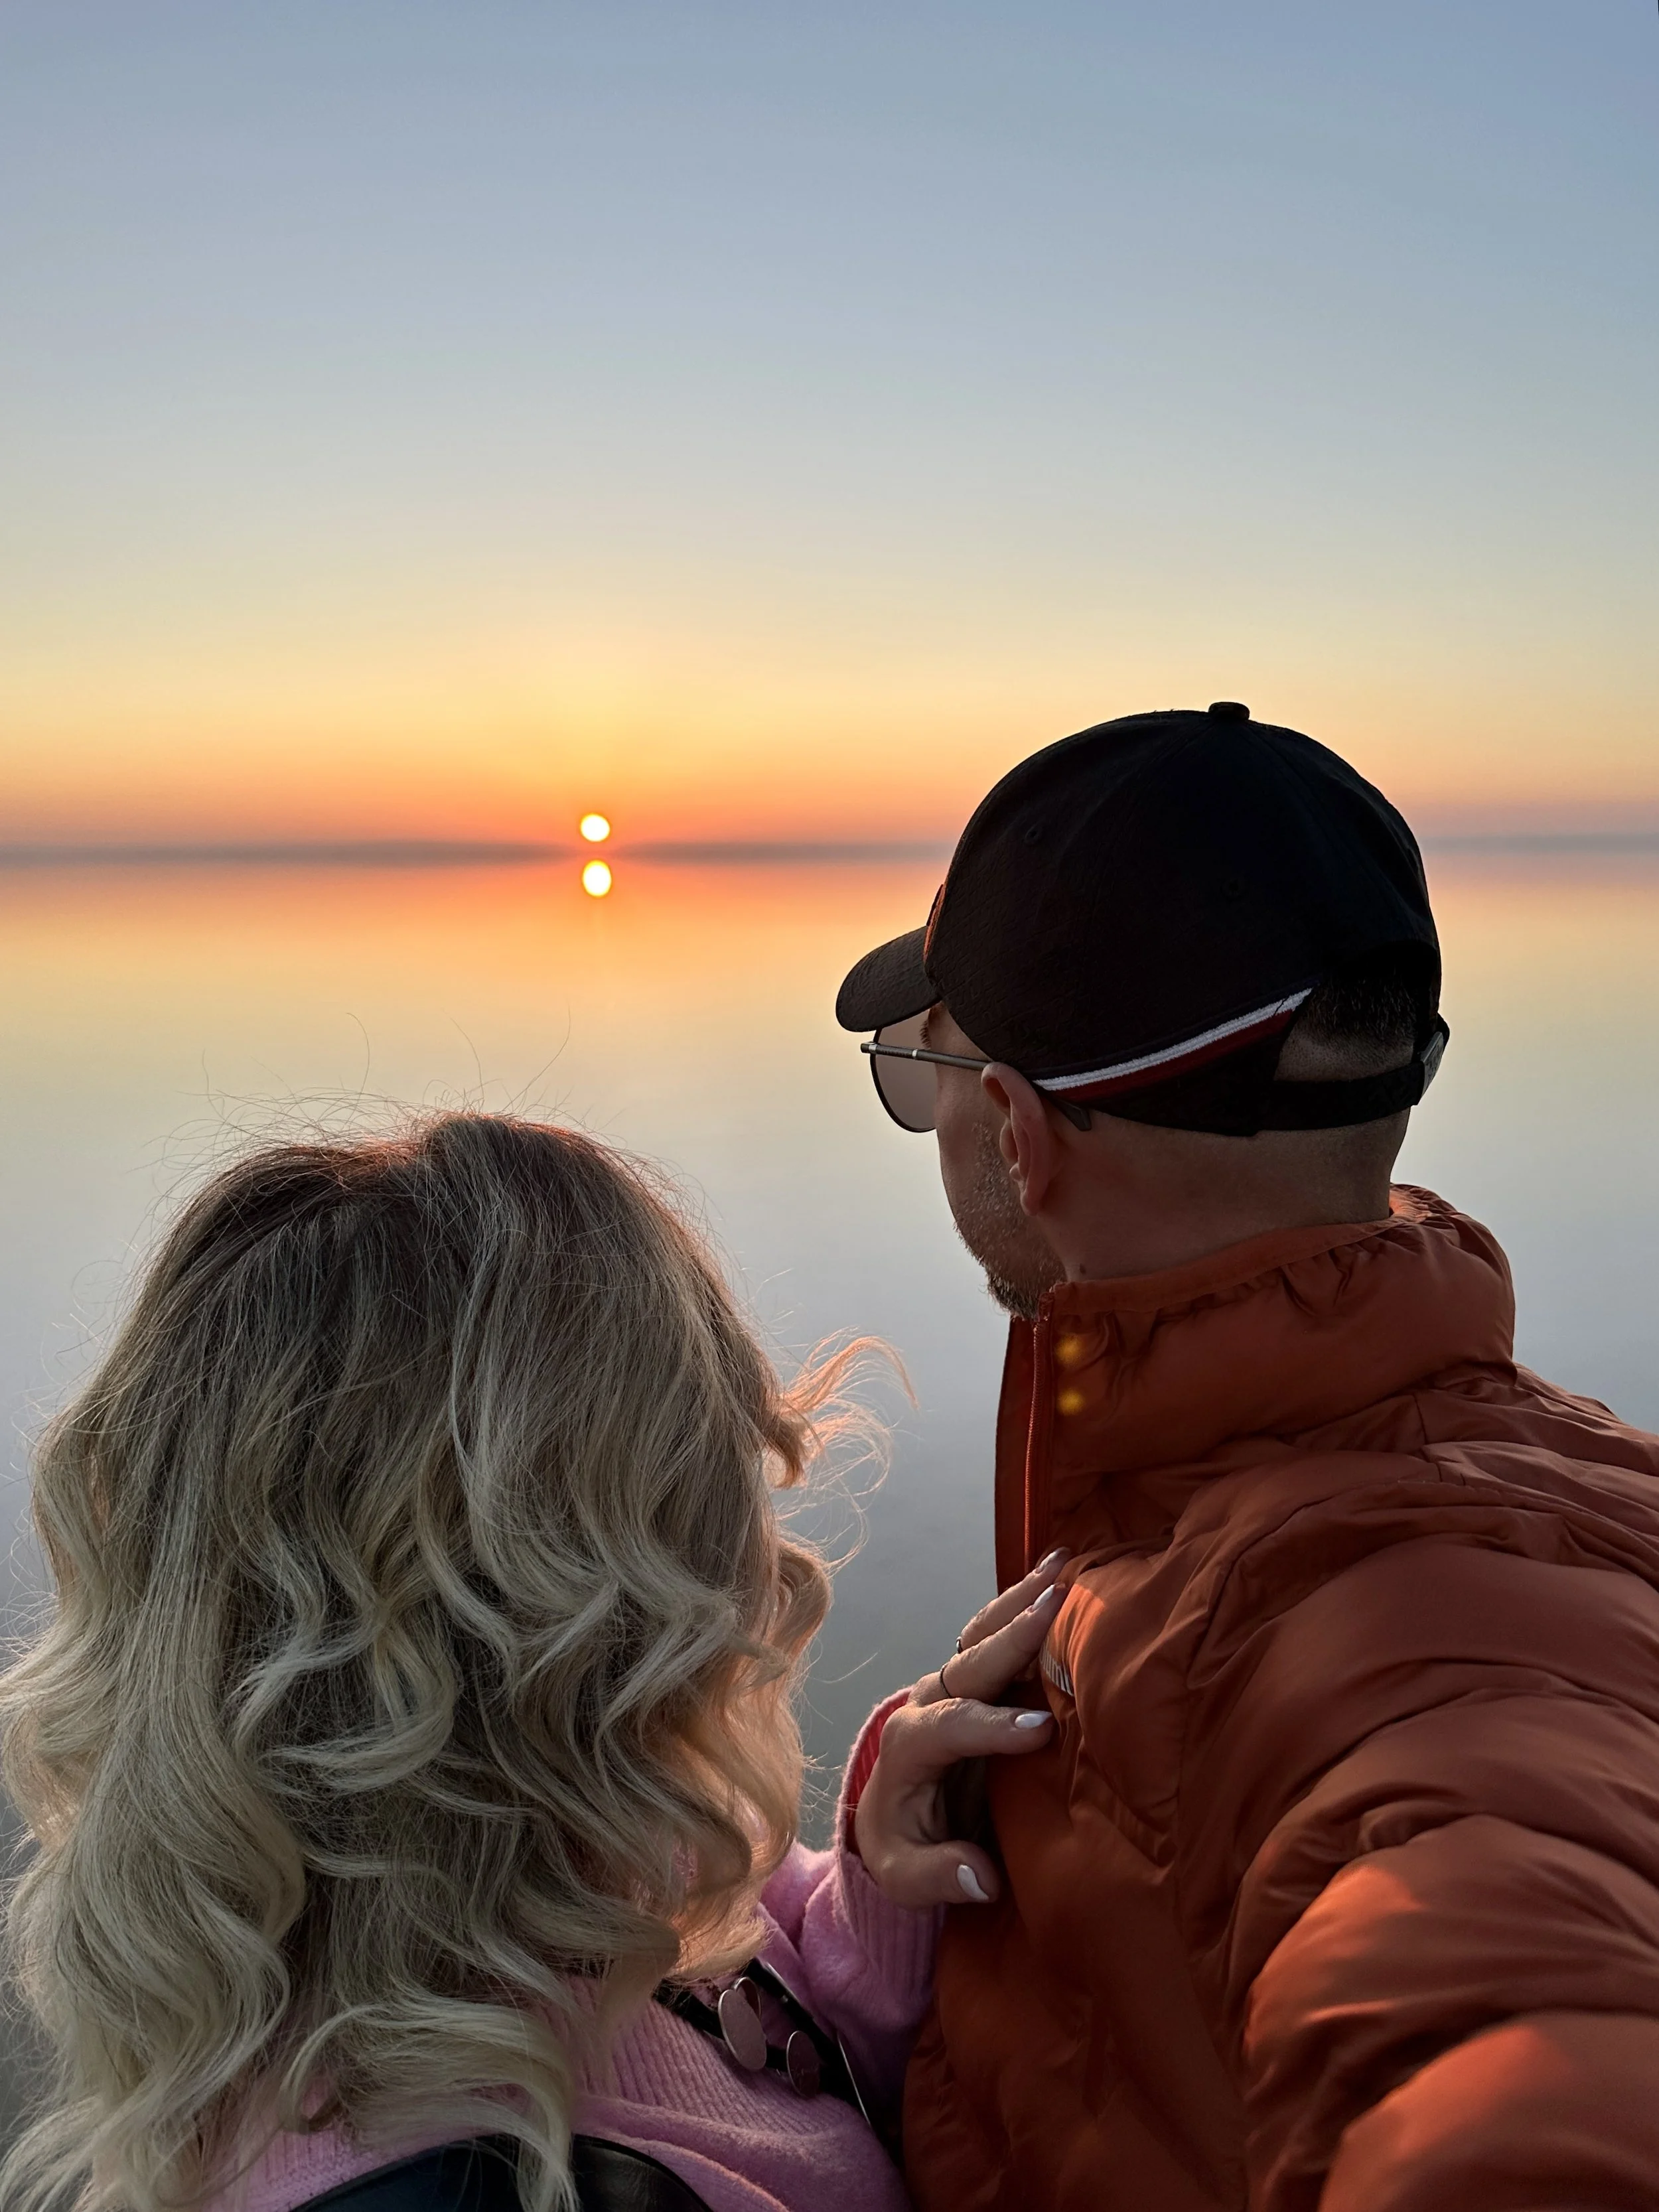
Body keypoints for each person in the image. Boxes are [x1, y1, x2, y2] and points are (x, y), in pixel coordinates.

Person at [835, 703, 1659, 2212]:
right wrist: (963, 1852)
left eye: (926, 1070)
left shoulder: (1386, 1634)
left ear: (1018, 1134)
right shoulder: (1540, 1476)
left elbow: (1528, 2055)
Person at [0, 1113, 1060, 2212]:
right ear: (590, 1595)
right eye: (711, 1455)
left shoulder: (595, 1877)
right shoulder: (450, 2182)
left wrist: (881, 1892)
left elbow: (772, 2052)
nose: (758, 1509)